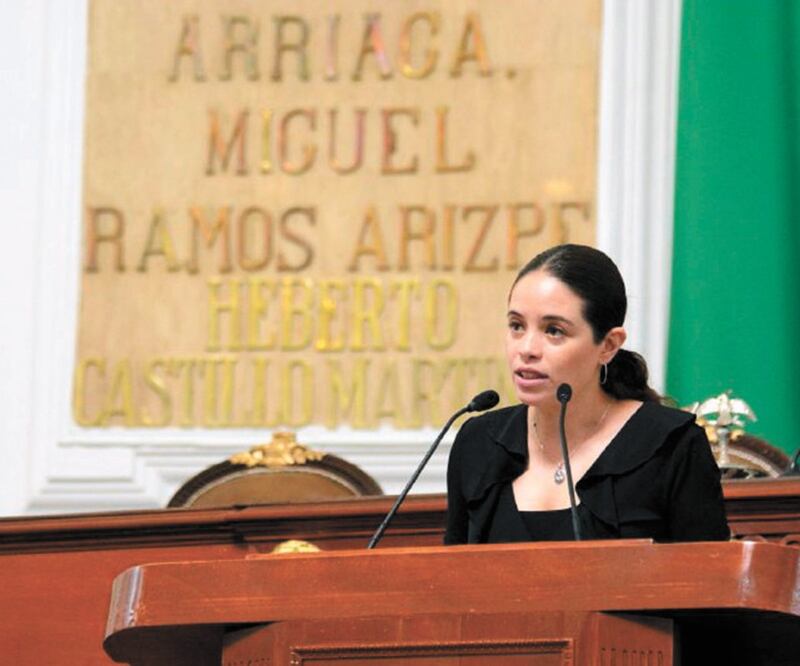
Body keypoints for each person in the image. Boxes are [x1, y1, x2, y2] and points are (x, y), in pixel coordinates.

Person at [445, 244, 729, 544]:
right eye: (516, 326)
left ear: (608, 345)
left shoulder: (672, 446)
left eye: (554, 331)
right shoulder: (477, 443)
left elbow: (710, 584)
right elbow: (452, 580)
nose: (526, 349)